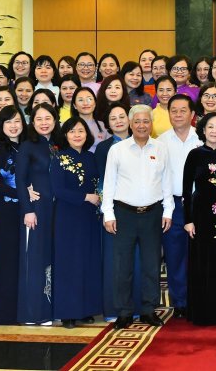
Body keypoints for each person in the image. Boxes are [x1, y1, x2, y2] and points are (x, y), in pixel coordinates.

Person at [102, 104, 174, 330]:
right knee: (123, 266)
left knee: (151, 265)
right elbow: (109, 183)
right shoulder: (118, 150)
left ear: (151, 124)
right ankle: (124, 311)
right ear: (131, 124)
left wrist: (168, 211)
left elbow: (167, 182)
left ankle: (148, 310)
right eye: (138, 121)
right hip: (124, 214)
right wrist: (108, 214)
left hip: (153, 214)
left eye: (146, 121)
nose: (142, 125)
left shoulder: (161, 148)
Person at [182, 112, 216, 325]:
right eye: (210, 127)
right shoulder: (194, 155)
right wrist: (188, 219)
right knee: (201, 262)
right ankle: (202, 313)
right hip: (201, 215)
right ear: (203, 130)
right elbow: (186, 190)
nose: (214, 131)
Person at [51, 117, 101, 328]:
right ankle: (68, 313)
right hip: (68, 216)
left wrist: (97, 197)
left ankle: (86, 309)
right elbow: (57, 189)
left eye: (80, 130)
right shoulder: (59, 158)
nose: (77, 135)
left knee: (88, 261)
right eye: (72, 131)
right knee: (68, 263)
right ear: (65, 135)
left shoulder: (91, 157)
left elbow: (98, 183)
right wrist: (85, 198)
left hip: (90, 217)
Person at [94, 103, 143, 321]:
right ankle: (114, 309)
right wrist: (108, 211)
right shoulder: (104, 148)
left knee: (138, 259)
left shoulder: (144, 143)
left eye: (122, 116)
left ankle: (139, 307)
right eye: (113, 118)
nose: (118, 121)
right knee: (115, 260)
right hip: (114, 211)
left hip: (141, 211)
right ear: (108, 124)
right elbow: (102, 183)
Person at [16, 103, 61, 325]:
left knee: (54, 258)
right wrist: (27, 210)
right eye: (39, 119)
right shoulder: (28, 146)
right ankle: (34, 312)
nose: (44, 122)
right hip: (37, 210)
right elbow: (20, 180)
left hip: (59, 211)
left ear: (55, 119)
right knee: (35, 259)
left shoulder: (58, 145)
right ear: (32, 122)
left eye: (48, 118)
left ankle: (52, 308)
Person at [158, 94, 202, 319]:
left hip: (199, 204)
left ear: (192, 114)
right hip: (172, 205)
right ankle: (180, 302)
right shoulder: (161, 142)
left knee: (199, 254)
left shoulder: (202, 139)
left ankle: (200, 298)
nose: (177, 114)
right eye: (173, 110)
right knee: (175, 255)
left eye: (183, 110)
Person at [0, 106, 26, 325]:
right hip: (5, 213)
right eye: (8, 122)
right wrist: (23, 194)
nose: (13, 125)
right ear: (1, 126)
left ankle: (23, 310)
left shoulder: (28, 147)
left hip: (26, 212)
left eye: (17, 121)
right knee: (6, 261)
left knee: (23, 261)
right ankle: (4, 313)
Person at [71, 87, 110, 152]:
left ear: (95, 103)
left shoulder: (103, 125)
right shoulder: (65, 126)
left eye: (89, 99)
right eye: (80, 100)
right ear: (74, 105)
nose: (85, 103)